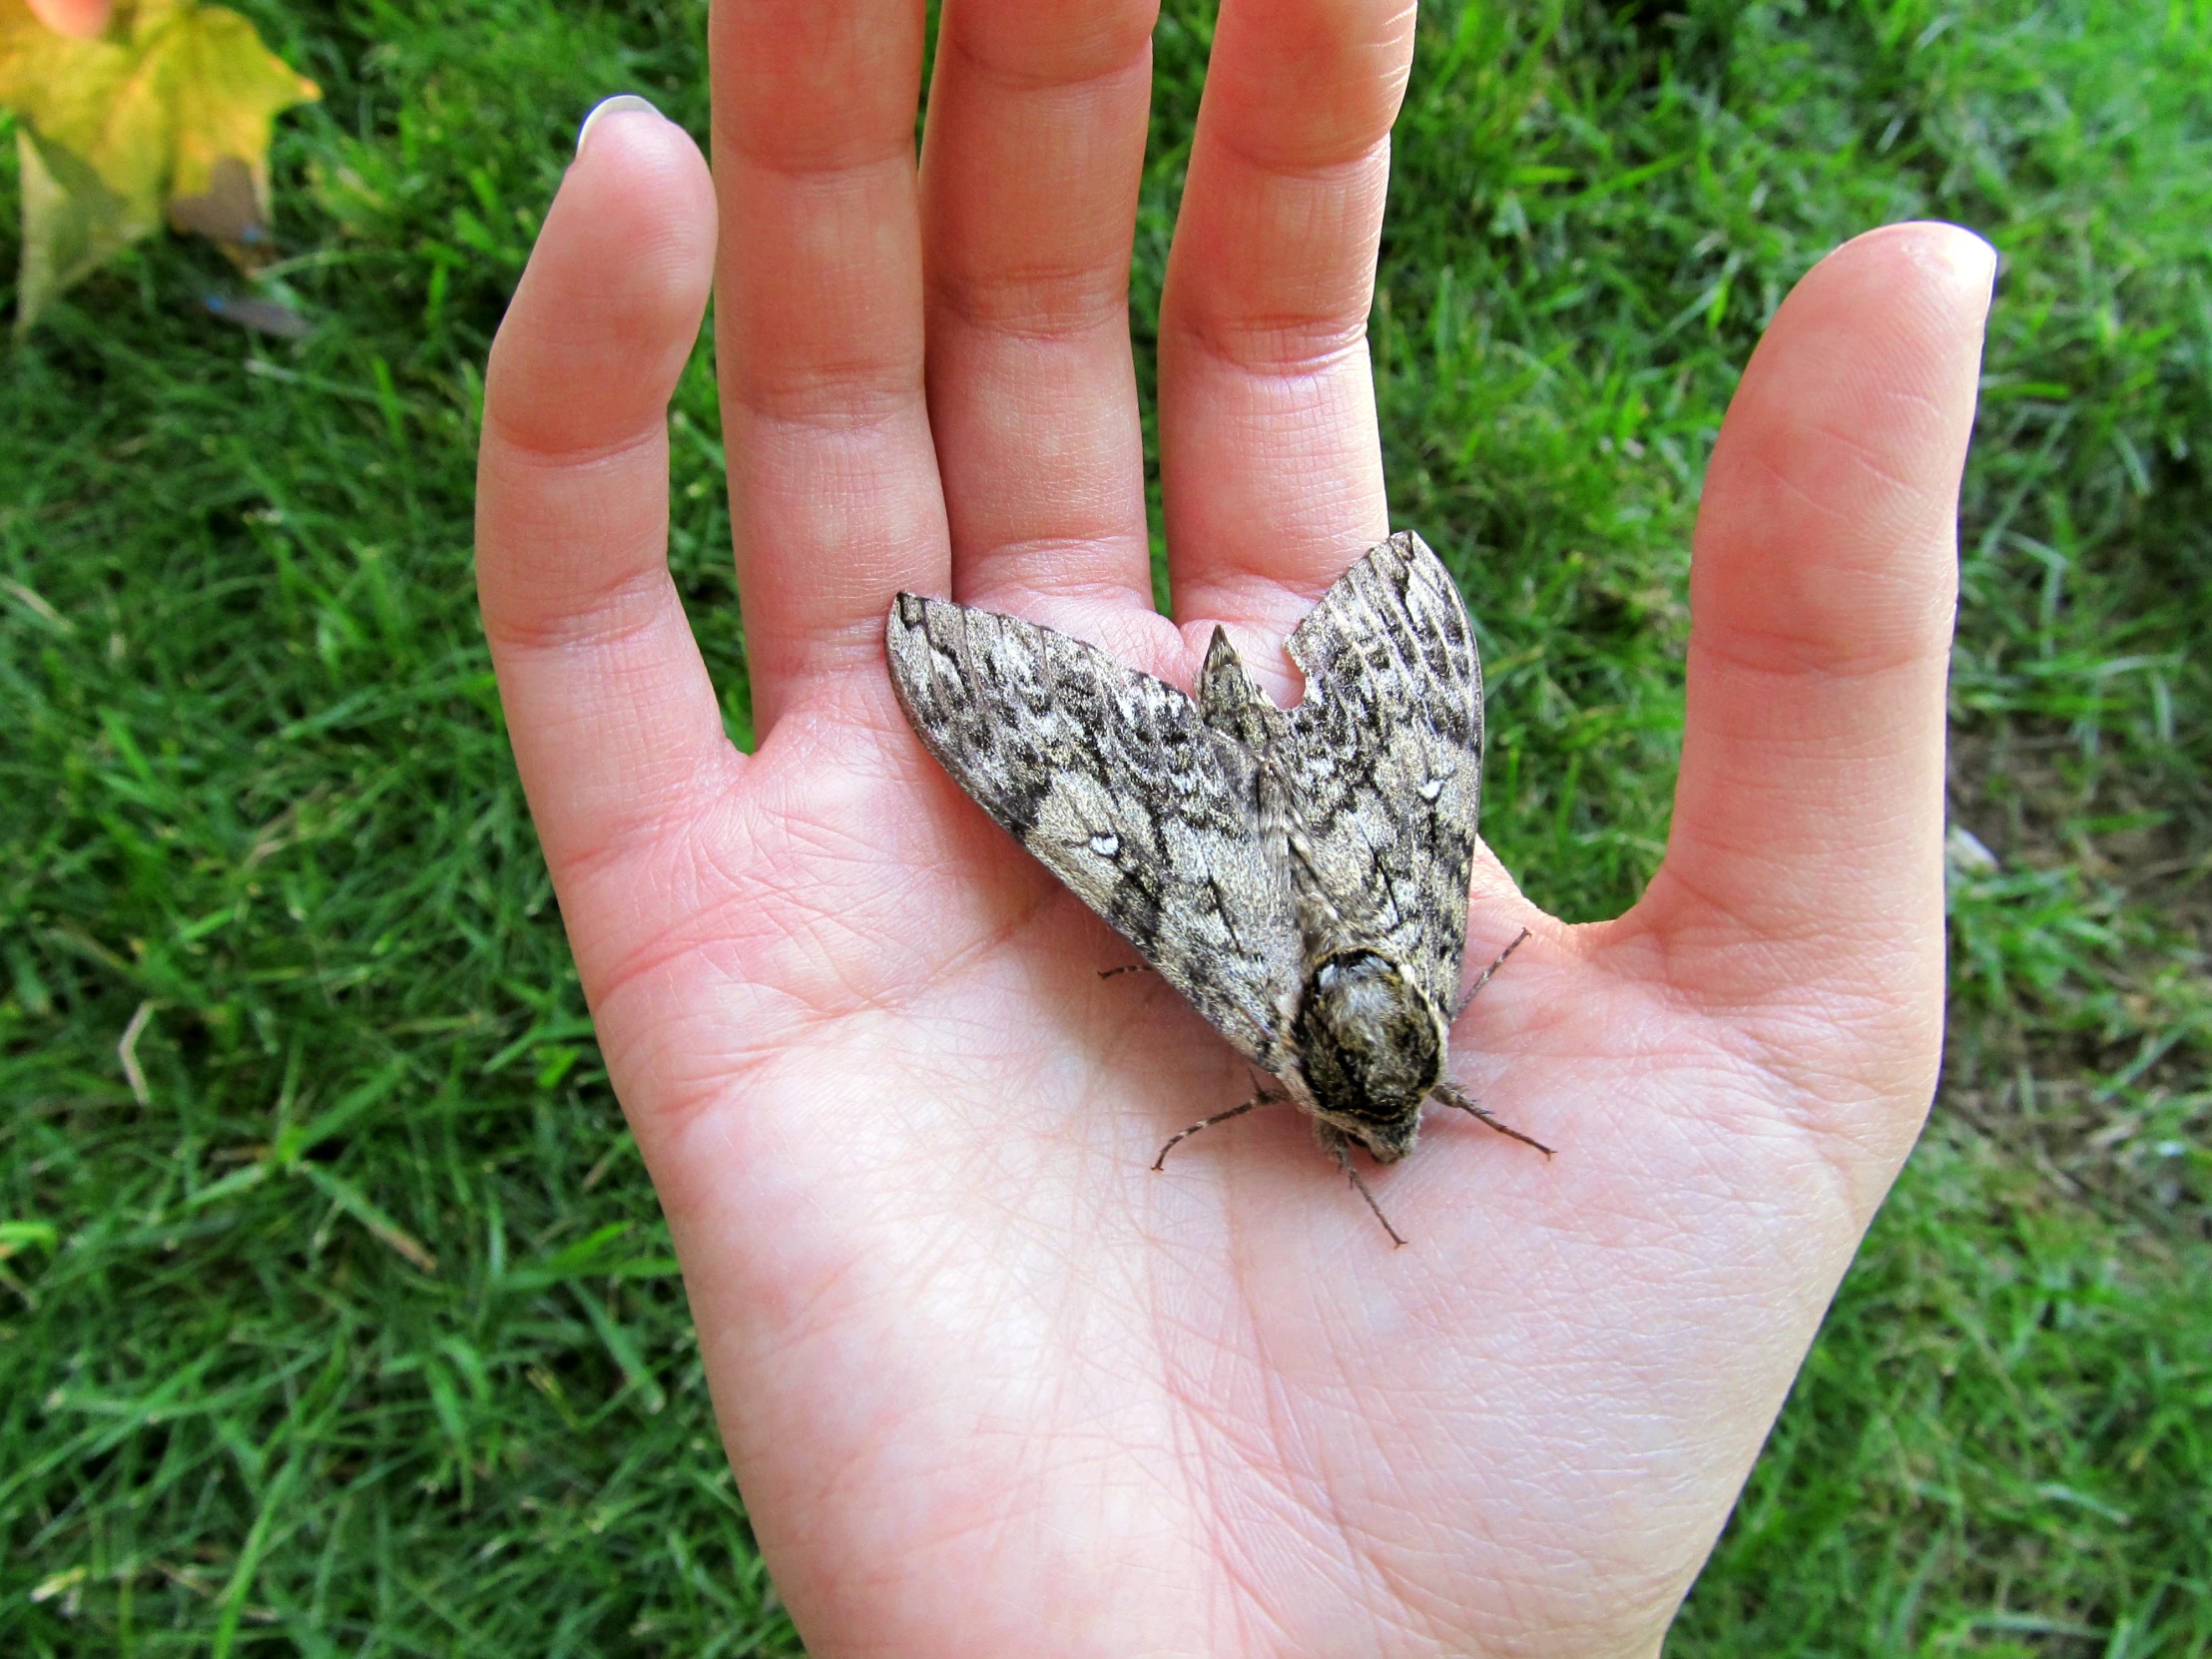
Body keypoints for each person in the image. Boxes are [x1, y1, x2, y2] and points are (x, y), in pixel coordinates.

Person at [472, 2, 1992, 1651]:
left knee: (1088, 832)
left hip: (1234, 881)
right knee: (1106, 821)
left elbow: (1366, 767)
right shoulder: (1337, 1026)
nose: (1381, 1127)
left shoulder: (1343, 1013)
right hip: (1293, 888)